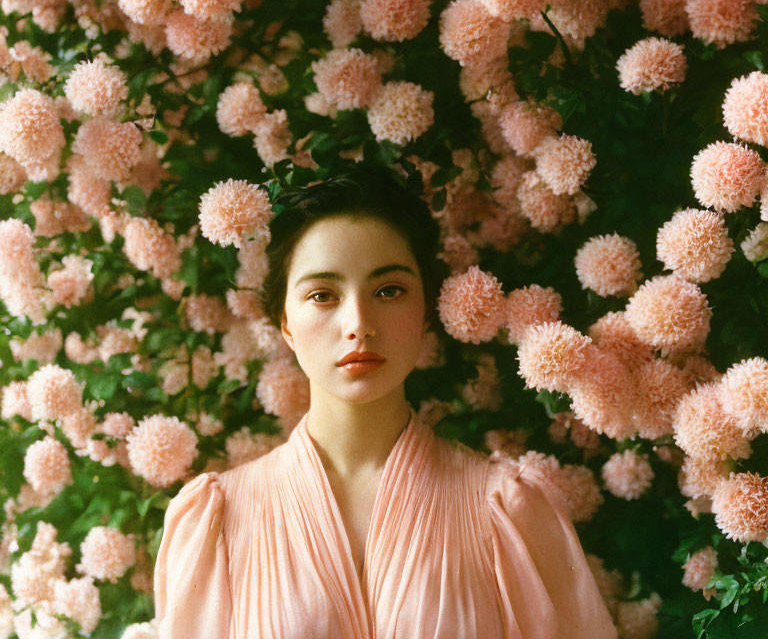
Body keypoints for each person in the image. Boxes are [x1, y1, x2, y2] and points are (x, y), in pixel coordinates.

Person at [153, 164, 618, 639]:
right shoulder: (219, 520)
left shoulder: (505, 508)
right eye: (322, 295)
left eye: (389, 290)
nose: (358, 322)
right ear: (285, 323)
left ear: (425, 312)